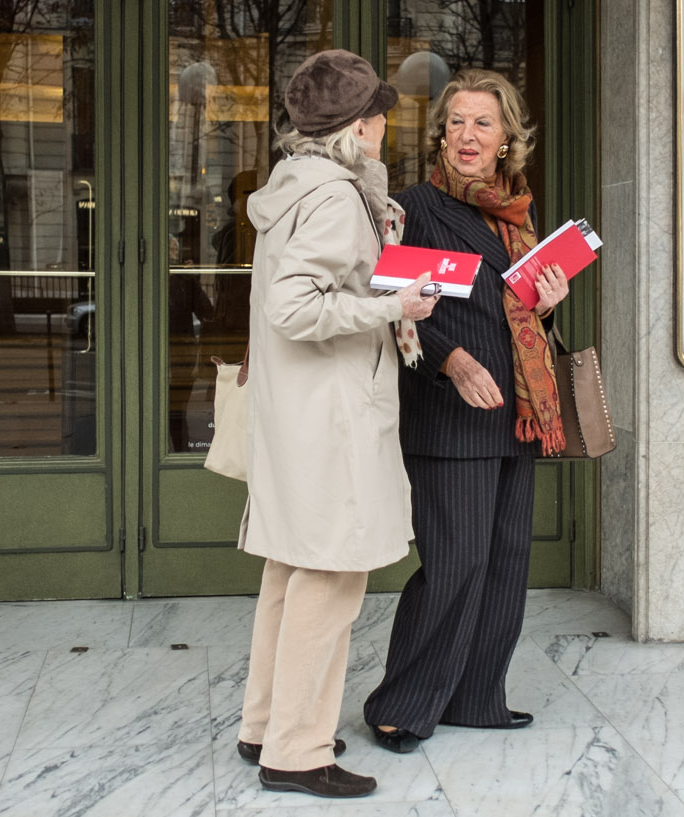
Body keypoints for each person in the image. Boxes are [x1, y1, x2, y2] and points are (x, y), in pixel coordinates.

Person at [233, 49, 440, 799]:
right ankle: (296, 749)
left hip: (301, 416)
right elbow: (295, 307)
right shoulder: (333, 198)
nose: (385, 127)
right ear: (355, 127)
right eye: (378, 115)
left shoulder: (294, 187)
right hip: (332, 420)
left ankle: (265, 725)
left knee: (290, 570)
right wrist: (395, 305)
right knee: (330, 577)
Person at [362, 69, 572, 753]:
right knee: (453, 563)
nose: (468, 136)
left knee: (506, 560)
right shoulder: (415, 208)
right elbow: (400, 316)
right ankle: (401, 704)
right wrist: (452, 360)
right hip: (449, 413)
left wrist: (546, 301)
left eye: (483, 123)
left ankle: (476, 697)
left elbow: (510, 310)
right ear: (441, 134)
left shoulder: (515, 213)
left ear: (508, 137)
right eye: (456, 122)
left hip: (514, 413)